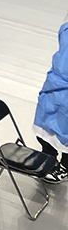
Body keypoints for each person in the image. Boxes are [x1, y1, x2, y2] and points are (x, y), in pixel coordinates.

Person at [34, 22, 68, 183]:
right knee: (45, 130)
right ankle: (49, 158)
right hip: (54, 87)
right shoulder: (66, 29)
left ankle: (65, 166)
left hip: (60, 89)